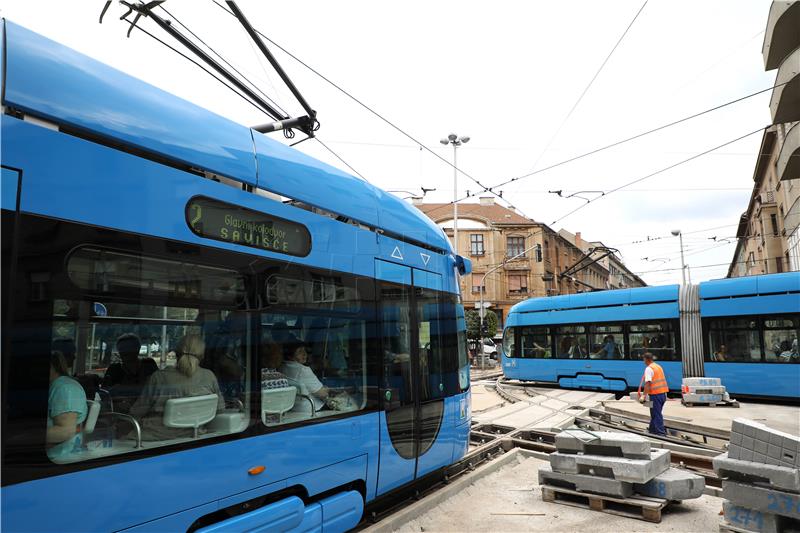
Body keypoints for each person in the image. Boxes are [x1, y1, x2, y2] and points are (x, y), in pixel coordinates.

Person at [129, 334, 224, 441]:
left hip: (154, 438)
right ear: (202, 356)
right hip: (194, 435)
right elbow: (220, 409)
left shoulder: (159, 377)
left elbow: (136, 412)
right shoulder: (209, 376)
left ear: (176, 353)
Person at [102, 334, 158, 413]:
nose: (125, 353)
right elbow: (104, 393)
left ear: (137, 350)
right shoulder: (114, 369)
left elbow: (157, 386)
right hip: (120, 411)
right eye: (122, 349)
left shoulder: (148, 365)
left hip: (147, 408)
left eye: (129, 349)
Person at [47, 351, 88, 460]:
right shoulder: (55, 385)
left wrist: (26, 436)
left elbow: (65, 431)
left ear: (52, 367)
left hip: (60, 456)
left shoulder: (64, 388)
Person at [280, 337, 330, 414]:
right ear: (290, 355)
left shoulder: (282, 367)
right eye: (300, 352)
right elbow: (322, 394)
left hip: (293, 408)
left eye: (304, 351)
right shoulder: (303, 370)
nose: (304, 354)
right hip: (312, 409)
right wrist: (328, 389)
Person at [638, 352, 668, 436]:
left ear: (646, 359)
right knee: (654, 413)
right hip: (662, 394)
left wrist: (643, 395)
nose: (643, 361)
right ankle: (652, 430)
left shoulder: (649, 369)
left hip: (655, 395)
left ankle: (660, 433)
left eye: (643, 359)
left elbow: (648, 383)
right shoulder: (658, 366)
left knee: (656, 414)